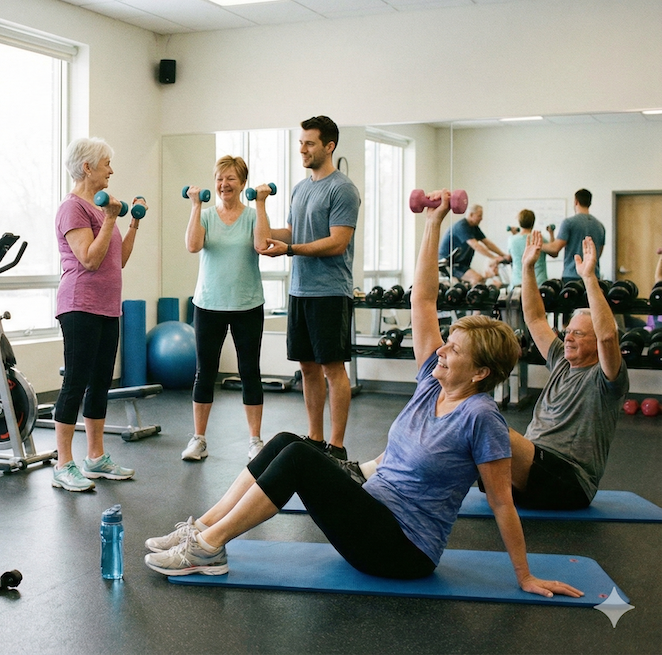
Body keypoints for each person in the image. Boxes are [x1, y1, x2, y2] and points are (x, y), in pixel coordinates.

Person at [144, 191, 581, 601]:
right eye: (447, 343)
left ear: (482, 371)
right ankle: (200, 529)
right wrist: (433, 223)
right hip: (374, 506)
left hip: (402, 548)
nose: (442, 350)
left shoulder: (481, 417)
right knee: (287, 442)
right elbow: (424, 300)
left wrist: (525, 575)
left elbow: (502, 501)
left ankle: (208, 549)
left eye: (455, 350)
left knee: (299, 461)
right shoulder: (435, 379)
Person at [258, 116, 359, 460]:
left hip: (330, 291)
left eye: (310, 143)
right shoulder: (301, 189)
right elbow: (293, 232)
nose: (302, 148)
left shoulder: (342, 188)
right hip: (300, 290)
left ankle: (337, 445)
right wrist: (266, 234)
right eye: (300, 142)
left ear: (329, 146)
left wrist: (290, 249)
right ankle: (315, 438)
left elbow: (336, 242)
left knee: (333, 368)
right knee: (307, 367)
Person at [506, 232, 629, 509]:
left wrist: (589, 278)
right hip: (532, 469)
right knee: (465, 431)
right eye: (567, 331)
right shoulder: (561, 359)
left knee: (490, 428)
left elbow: (609, 335)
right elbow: (535, 318)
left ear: (597, 341)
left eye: (578, 334)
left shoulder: (606, 378)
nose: (568, 338)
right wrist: (527, 269)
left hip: (569, 480)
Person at [50, 137, 143, 492]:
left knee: (101, 382)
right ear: (87, 167)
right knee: (75, 382)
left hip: (106, 305)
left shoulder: (102, 210)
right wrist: (110, 218)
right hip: (79, 304)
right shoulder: (73, 208)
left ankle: (95, 457)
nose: (111, 170)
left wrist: (131, 225)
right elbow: (88, 259)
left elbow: (116, 260)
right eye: (106, 163)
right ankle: (63, 464)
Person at [181, 156, 272, 462]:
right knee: (204, 372)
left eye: (231, 179)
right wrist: (195, 206)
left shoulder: (251, 216)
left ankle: (255, 440)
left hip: (247, 304)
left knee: (250, 372)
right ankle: (198, 439)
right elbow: (192, 246)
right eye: (220, 178)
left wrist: (260, 204)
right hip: (209, 304)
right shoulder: (206, 215)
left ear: (243, 183)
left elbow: (262, 245)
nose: (224, 184)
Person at [539, 188, 605, 281]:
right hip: (593, 277)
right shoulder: (600, 226)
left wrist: (536, 245)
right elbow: (598, 253)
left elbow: (554, 249)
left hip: (572, 277)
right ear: (589, 203)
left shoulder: (569, 223)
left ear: (576, 201)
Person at [438, 204, 512, 285]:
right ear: (471, 215)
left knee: (480, 280)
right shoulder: (462, 226)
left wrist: (503, 255)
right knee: (477, 279)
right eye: (479, 216)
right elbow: (476, 245)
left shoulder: (474, 227)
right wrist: (493, 257)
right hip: (450, 264)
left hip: (461, 264)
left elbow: (487, 243)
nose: (481, 218)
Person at [507, 209, 548, 286]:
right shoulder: (540, 238)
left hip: (518, 283)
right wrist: (551, 234)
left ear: (519, 222)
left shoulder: (511, 240)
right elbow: (553, 251)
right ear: (533, 222)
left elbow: (510, 257)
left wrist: (515, 234)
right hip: (538, 283)